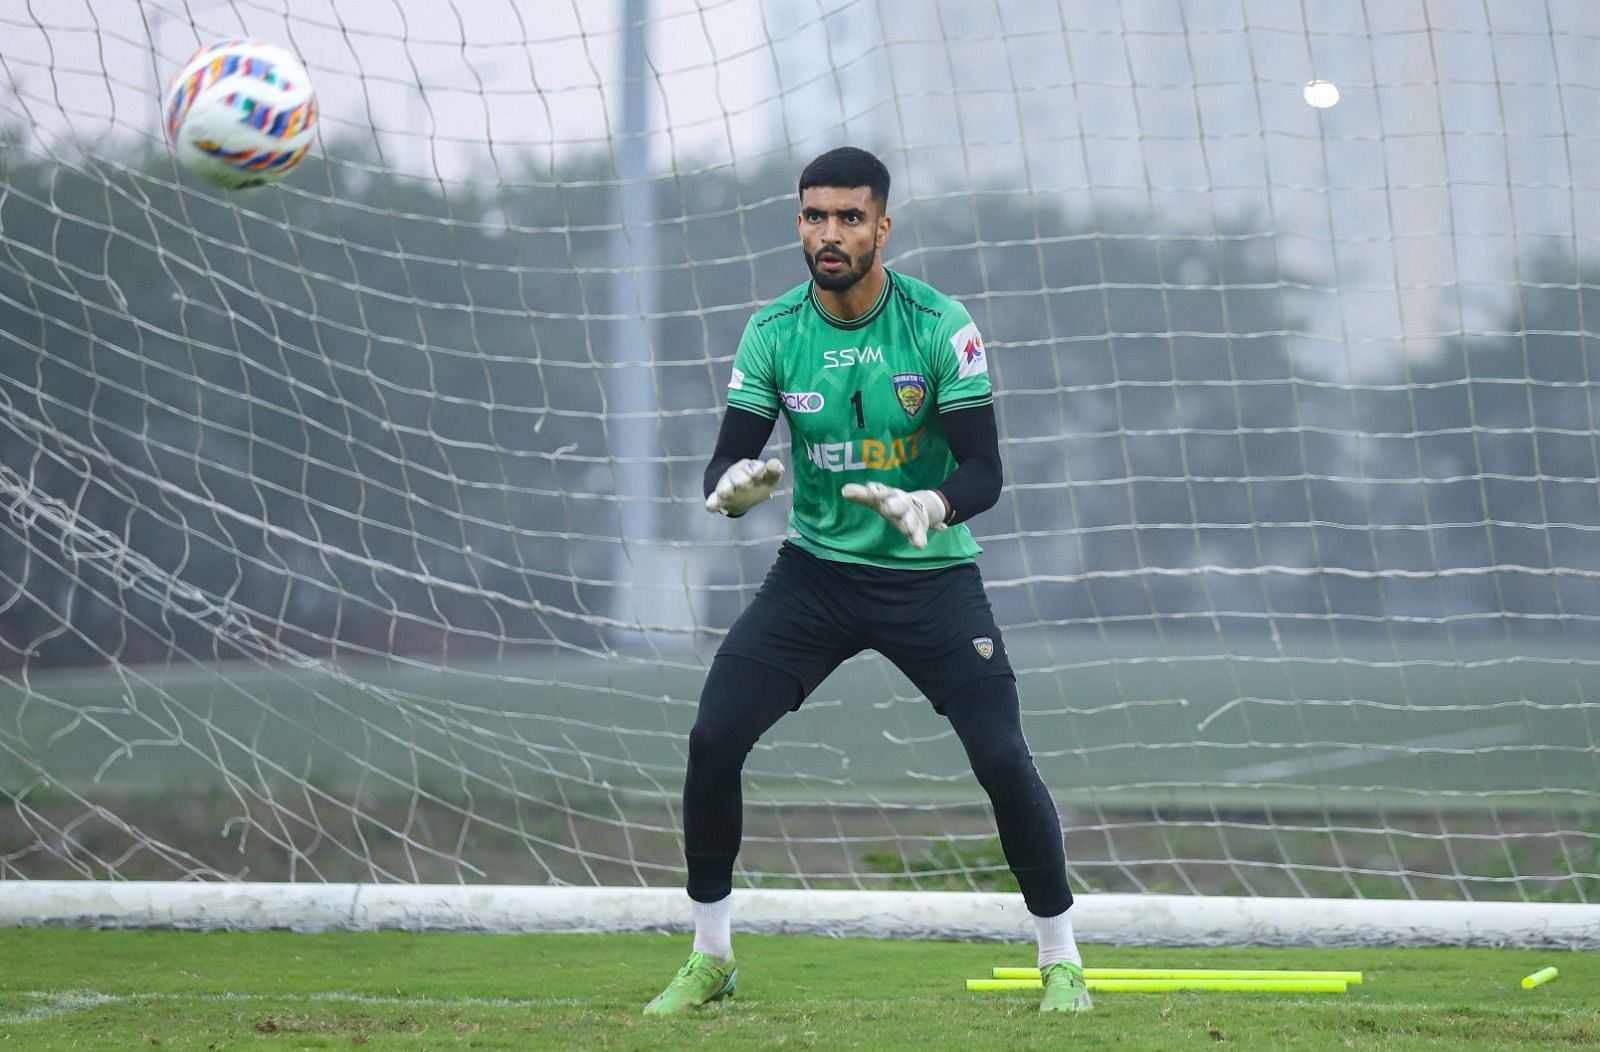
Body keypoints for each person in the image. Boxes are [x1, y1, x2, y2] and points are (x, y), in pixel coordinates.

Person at [643, 146, 1090, 1016]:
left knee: (1001, 755)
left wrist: (931, 503)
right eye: (815, 216)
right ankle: (711, 956)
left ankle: (1061, 959)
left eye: (850, 217)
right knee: (712, 740)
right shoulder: (774, 331)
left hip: (932, 578)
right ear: (799, 225)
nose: (830, 233)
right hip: (815, 577)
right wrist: (732, 490)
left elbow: (986, 470)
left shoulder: (937, 323)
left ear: (882, 226)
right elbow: (726, 460)